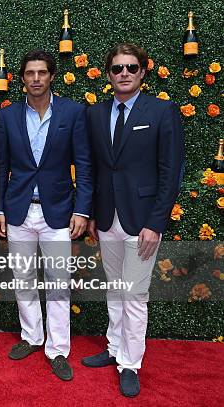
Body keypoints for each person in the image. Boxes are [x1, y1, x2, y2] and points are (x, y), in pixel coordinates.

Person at [82, 43, 184, 397]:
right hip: (107, 219)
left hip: (142, 221)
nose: (123, 73)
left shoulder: (162, 111)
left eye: (131, 67)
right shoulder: (95, 114)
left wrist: (156, 222)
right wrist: (95, 214)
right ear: (108, 74)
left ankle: (130, 362)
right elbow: (94, 168)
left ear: (142, 72)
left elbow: (171, 172)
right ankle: (113, 348)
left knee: (135, 294)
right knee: (115, 289)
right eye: (116, 68)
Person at [0, 50, 92, 381]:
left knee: (59, 284)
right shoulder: (7, 117)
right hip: (19, 211)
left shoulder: (73, 112)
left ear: (51, 76)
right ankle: (32, 336)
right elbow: (1, 167)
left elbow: (85, 164)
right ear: (22, 79)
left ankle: (58, 349)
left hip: (59, 213)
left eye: (42, 73)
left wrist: (82, 208)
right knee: (23, 280)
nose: (36, 78)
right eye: (30, 73)